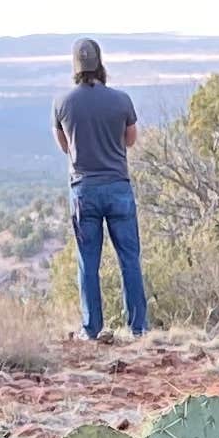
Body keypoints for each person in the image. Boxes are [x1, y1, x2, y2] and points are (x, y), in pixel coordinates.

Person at [54, 38, 146, 340]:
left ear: (75, 68)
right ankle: (138, 328)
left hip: (84, 188)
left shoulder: (62, 103)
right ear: (100, 65)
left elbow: (64, 146)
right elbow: (130, 140)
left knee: (88, 261)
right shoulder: (122, 100)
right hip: (118, 186)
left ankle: (91, 328)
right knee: (129, 259)